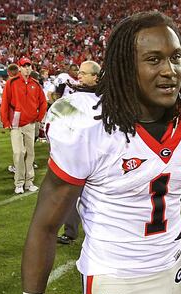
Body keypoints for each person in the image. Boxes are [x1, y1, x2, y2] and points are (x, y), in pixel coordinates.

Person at [21, 12, 181, 294]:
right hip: (112, 280)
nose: (170, 71)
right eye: (154, 60)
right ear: (125, 67)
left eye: (175, 58)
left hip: (172, 271)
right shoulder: (89, 125)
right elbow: (45, 226)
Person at [56, 60, 100, 245]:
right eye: (79, 72)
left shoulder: (107, 98)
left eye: (83, 73)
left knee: (99, 199)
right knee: (70, 196)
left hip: (100, 157)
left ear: (95, 77)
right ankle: (70, 232)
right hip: (77, 155)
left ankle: (99, 233)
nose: (79, 76)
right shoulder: (73, 97)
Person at [0, 57, 47, 194]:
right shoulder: (12, 82)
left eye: (29, 66)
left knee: (30, 153)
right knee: (18, 152)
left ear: (31, 68)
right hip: (16, 124)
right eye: (24, 66)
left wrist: (38, 117)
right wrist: (5, 121)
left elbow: (43, 102)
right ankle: (19, 182)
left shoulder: (36, 84)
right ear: (19, 68)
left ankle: (29, 181)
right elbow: (5, 102)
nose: (27, 68)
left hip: (30, 124)